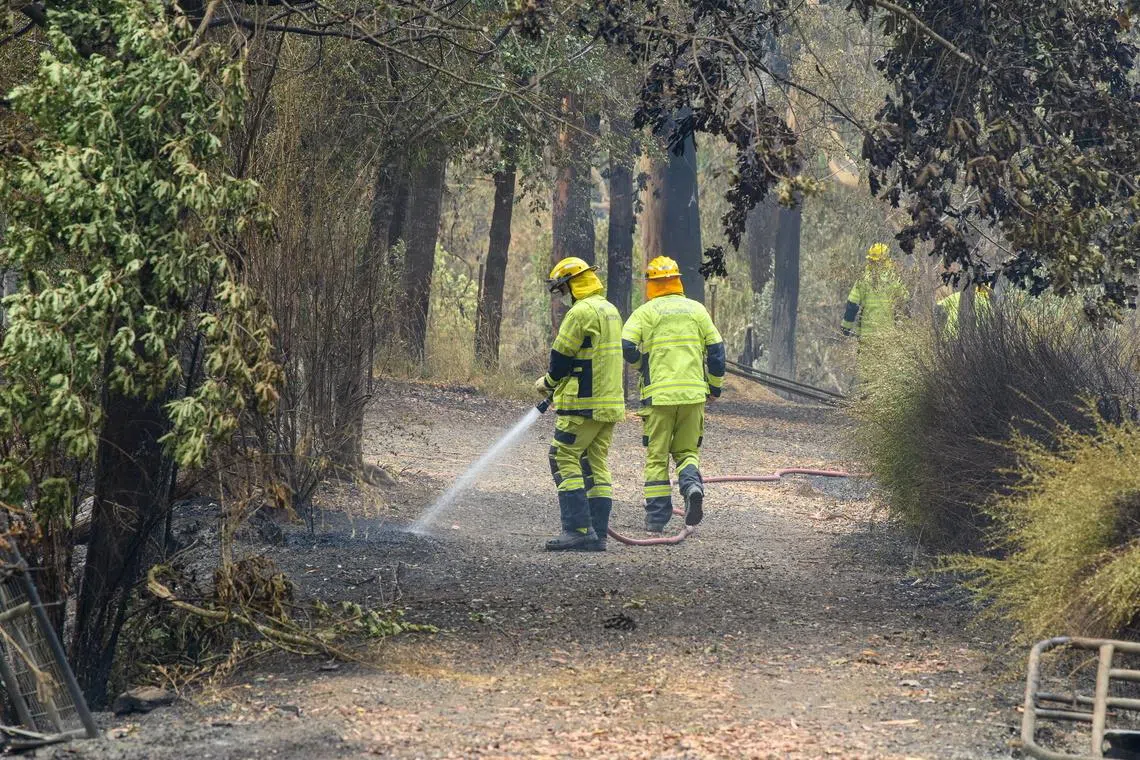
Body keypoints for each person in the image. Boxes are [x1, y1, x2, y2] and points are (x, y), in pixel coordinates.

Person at [621, 256, 725, 533]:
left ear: (651, 284)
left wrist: (641, 364)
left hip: (659, 398)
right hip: (693, 395)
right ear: (677, 280)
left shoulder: (645, 312)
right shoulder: (697, 310)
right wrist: (714, 387)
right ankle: (691, 486)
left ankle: (656, 518)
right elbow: (716, 350)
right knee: (687, 451)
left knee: (657, 456)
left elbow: (627, 344)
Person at [534, 257, 625, 551]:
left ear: (574, 284)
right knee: (594, 462)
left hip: (581, 405)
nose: (562, 297)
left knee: (562, 456)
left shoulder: (580, 313)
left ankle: (576, 529)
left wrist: (547, 384)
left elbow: (560, 359)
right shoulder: (611, 311)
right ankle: (597, 534)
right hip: (608, 405)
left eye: (563, 290)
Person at [841, 242, 908, 348]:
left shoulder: (864, 279)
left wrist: (845, 329)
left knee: (867, 364)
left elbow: (852, 305)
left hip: (868, 337)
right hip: (889, 336)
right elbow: (905, 302)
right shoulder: (894, 278)